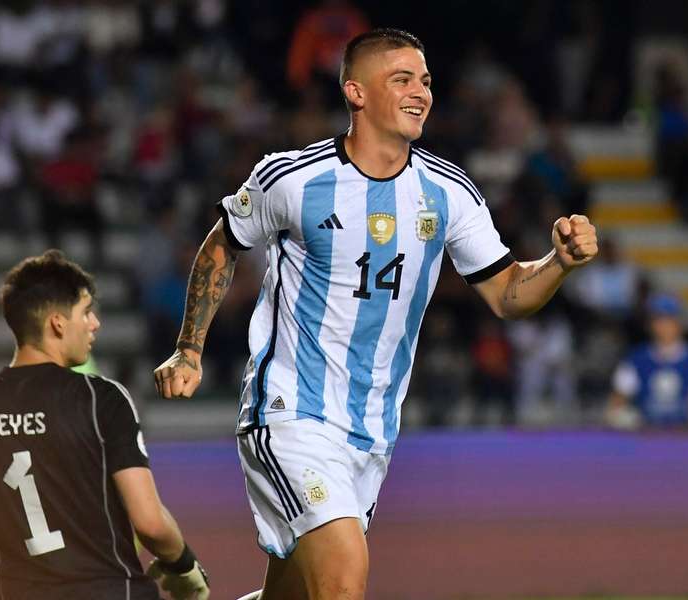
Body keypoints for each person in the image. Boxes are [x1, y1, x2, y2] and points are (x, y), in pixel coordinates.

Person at [154, 28, 599, 600]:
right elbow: (221, 244)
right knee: (344, 581)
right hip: (291, 414)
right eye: (403, 79)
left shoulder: (448, 192)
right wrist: (189, 348)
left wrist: (558, 264)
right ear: (356, 92)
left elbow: (508, 293)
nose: (421, 92)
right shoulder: (292, 178)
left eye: (426, 81)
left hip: (371, 435)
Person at [0, 250, 209, 599]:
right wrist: (183, 563)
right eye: (86, 312)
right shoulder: (101, 398)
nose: (95, 324)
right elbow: (150, 522)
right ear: (57, 323)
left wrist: (12, 582)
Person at [606, 293, 688, 429]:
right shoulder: (635, 360)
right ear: (649, 325)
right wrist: (624, 418)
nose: (664, 326)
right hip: (644, 436)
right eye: (659, 320)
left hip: (683, 437)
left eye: (669, 320)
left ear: (680, 324)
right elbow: (617, 404)